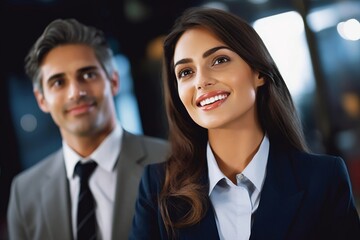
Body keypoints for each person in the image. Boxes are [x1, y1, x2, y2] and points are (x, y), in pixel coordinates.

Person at [129, 7, 360, 240]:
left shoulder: (323, 178)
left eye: (219, 60)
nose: (201, 81)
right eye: (186, 72)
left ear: (258, 71)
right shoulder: (157, 187)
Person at [7, 18, 169, 240]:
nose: (75, 92)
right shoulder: (24, 192)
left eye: (88, 74)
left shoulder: (171, 161)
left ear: (113, 81)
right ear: (41, 100)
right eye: (58, 82)